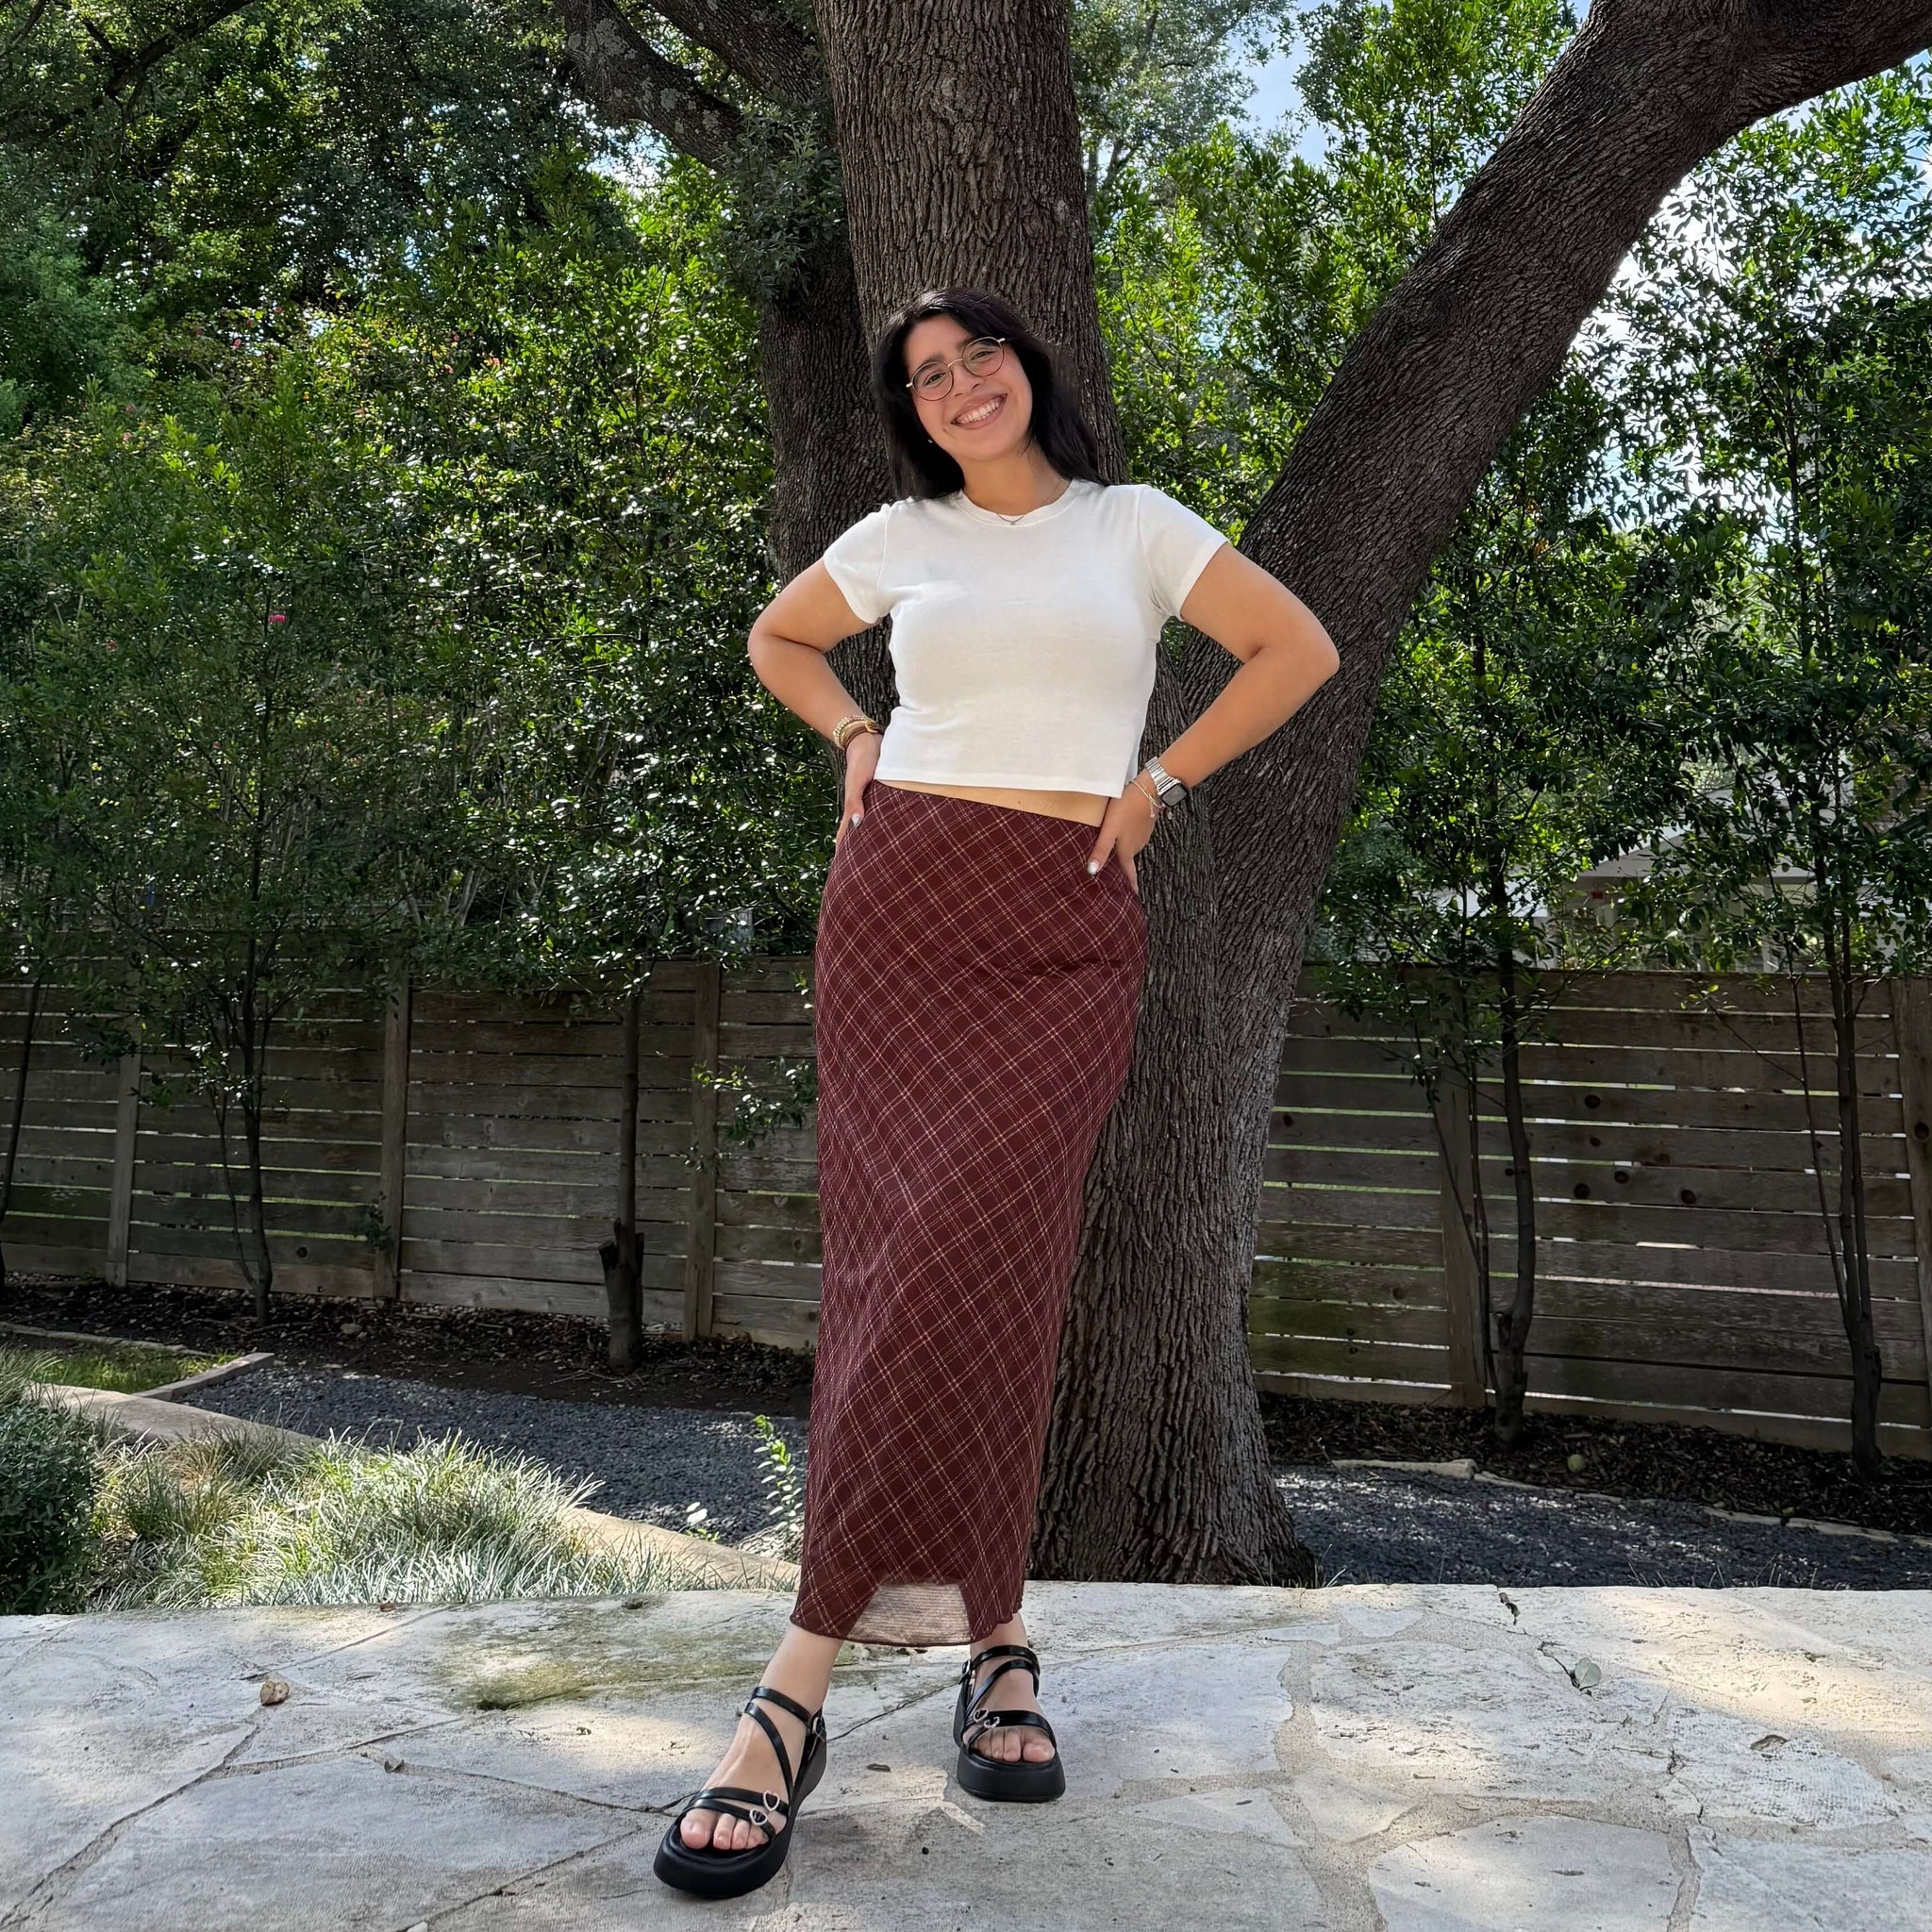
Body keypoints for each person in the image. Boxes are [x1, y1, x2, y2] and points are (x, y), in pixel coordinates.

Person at [654, 285, 1339, 1900]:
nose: (962, 385)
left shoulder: (1134, 525)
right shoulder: (902, 536)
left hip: (1066, 920)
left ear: (1029, 370)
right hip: (903, 908)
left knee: (998, 1262)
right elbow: (778, 637)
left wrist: (1161, 781)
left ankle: (932, 1642)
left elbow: (1296, 648)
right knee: (897, 1269)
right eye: (928, 376)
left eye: (981, 358)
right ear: (912, 410)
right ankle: (879, 1663)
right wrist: (853, 733)